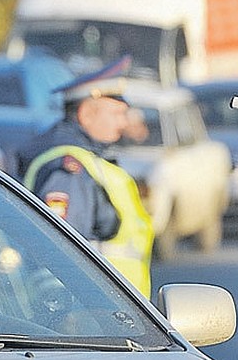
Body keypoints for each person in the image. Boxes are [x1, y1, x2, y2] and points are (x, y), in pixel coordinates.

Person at [14, 56, 153, 297]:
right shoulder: (69, 167)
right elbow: (60, 249)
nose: (123, 124)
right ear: (87, 113)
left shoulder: (89, 159)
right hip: (89, 308)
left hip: (109, 304)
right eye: (117, 114)